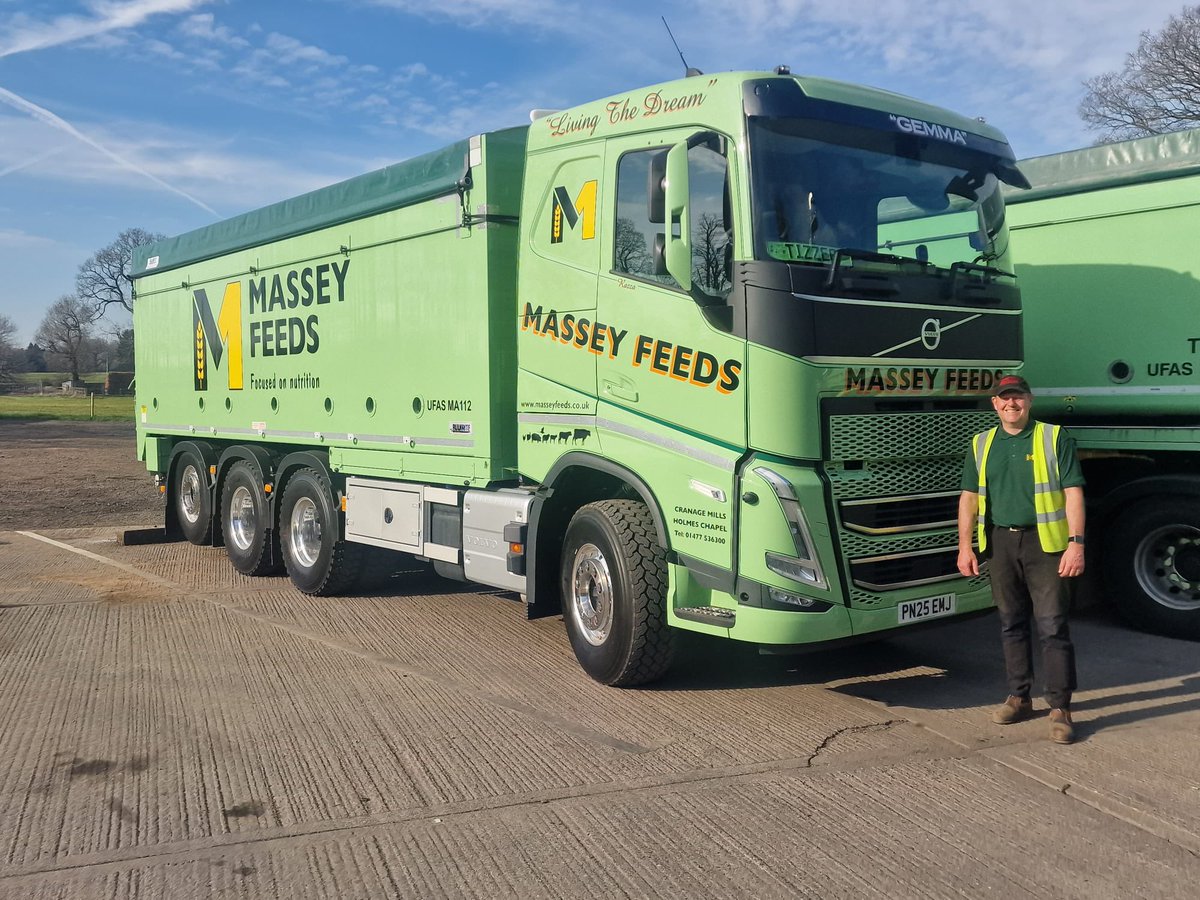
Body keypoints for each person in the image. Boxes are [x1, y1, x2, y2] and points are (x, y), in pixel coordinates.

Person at [957, 375, 1086, 744]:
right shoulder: (981, 444)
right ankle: (1019, 697)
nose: (1011, 404)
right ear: (994, 405)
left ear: (1029, 401)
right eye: (1004, 399)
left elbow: (1073, 492)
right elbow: (968, 497)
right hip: (999, 542)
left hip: (1045, 544)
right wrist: (965, 546)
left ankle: (1060, 708)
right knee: (1011, 623)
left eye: (1018, 397)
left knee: (1052, 626)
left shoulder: (1053, 436)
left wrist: (1075, 544)